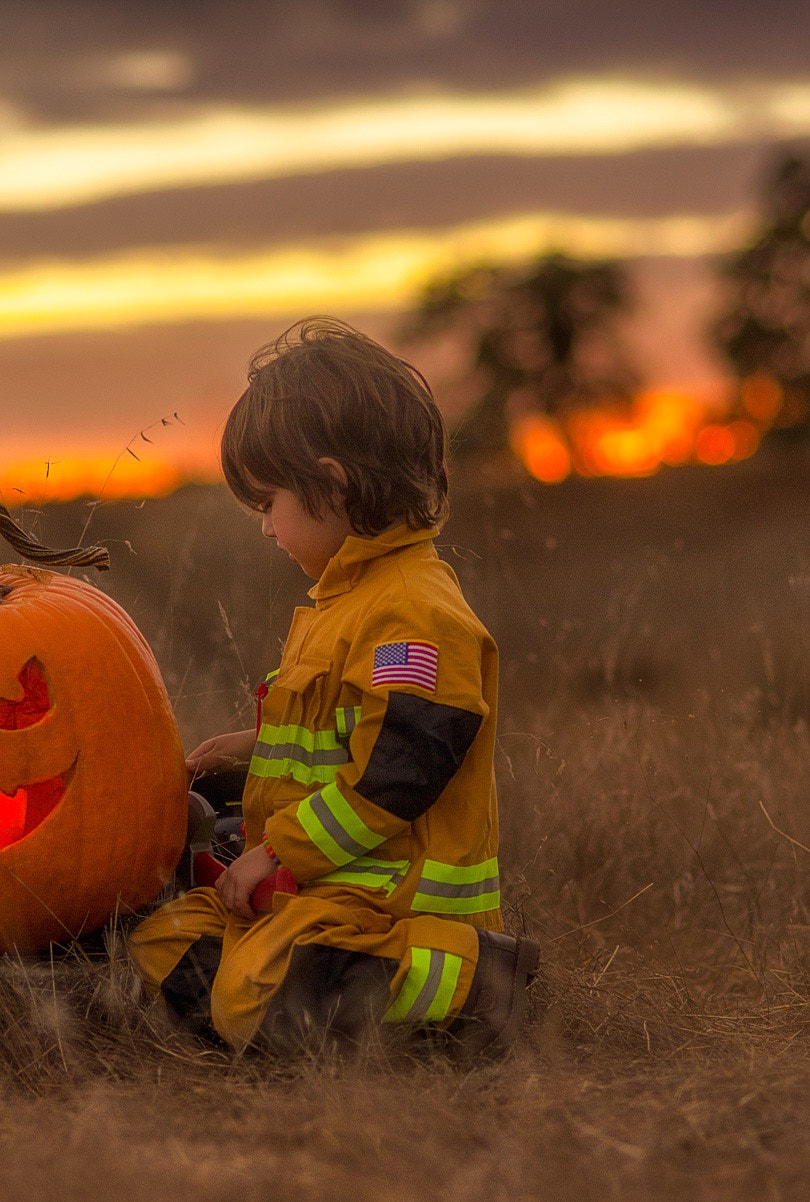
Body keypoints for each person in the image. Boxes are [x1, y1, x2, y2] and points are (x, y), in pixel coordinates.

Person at [127, 317, 540, 1056]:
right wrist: (249, 752)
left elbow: (395, 777)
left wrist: (279, 856)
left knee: (263, 986)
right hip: (325, 890)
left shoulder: (415, 612)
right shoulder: (344, 604)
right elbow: (345, 738)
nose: (265, 529)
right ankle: (271, 1008)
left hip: (390, 904)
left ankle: (478, 984)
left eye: (268, 503)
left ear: (333, 484)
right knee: (164, 938)